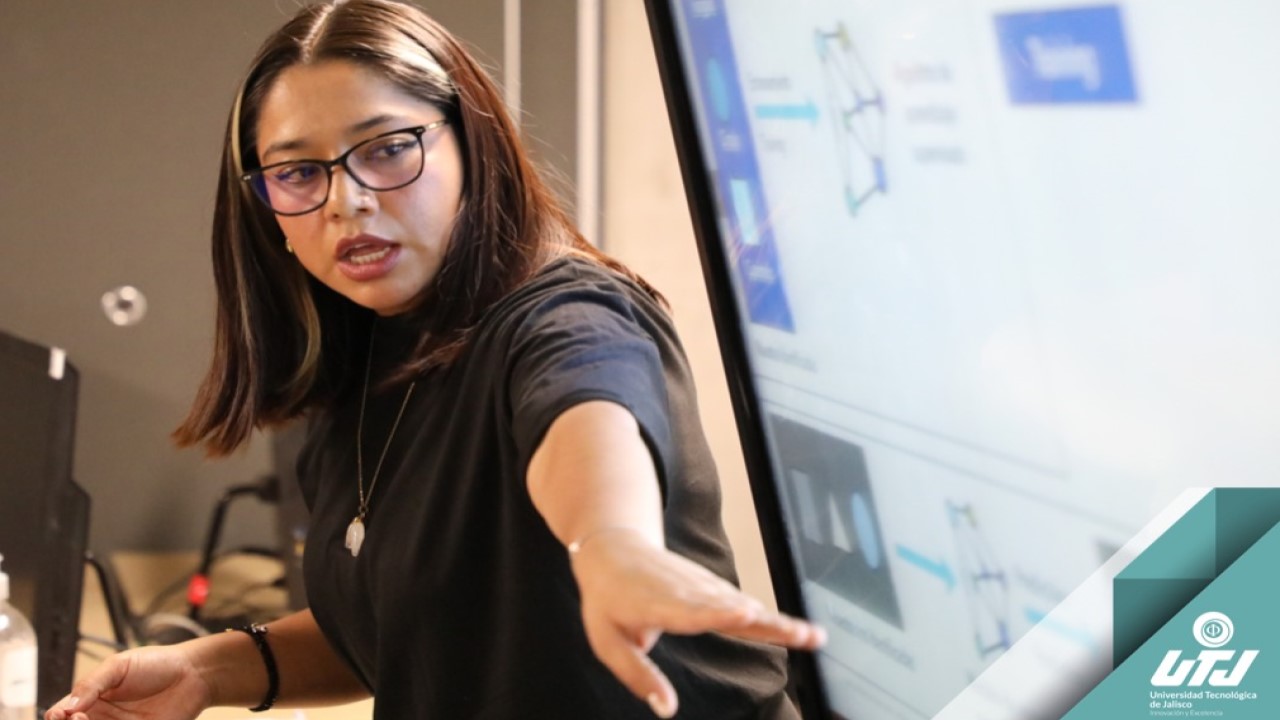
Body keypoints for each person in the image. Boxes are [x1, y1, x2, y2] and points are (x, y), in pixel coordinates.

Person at [47, 1, 824, 718]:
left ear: (470, 145)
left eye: (388, 150)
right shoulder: (369, 348)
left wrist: (612, 544)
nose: (347, 201)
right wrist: (206, 671)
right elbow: (403, 632)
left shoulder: (567, 314)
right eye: (298, 173)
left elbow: (589, 412)